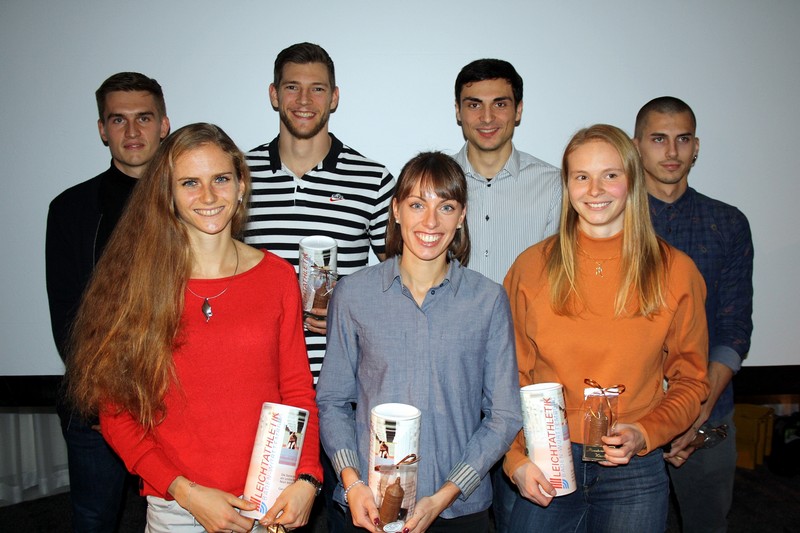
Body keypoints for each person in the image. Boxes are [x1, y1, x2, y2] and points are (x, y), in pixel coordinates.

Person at [66, 123, 321, 532]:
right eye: (190, 183)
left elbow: (297, 392)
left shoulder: (277, 276)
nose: (208, 196)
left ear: (241, 185)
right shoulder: (136, 283)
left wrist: (307, 478)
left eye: (221, 179)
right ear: (167, 193)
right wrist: (186, 492)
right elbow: (116, 413)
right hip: (178, 508)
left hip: (269, 502)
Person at [503, 124, 710, 532]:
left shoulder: (675, 272)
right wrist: (514, 459)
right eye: (582, 176)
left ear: (632, 180)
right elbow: (508, 378)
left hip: (633, 466)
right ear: (567, 185)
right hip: (546, 458)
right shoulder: (531, 268)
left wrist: (646, 432)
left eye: (610, 175)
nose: (594, 190)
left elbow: (691, 381)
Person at [316, 152, 522, 533]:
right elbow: (331, 401)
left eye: (446, 206)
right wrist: (352, 482)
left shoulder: (488, 300)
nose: (430, 221)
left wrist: (446, 494)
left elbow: (504, 415)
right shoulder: (354, 294)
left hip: (458, 512)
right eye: (416, 204)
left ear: (462, 215)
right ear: (396, 210)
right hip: (368, 507)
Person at [244, 41, 395, 531]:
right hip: (262, 391)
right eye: (292, 87)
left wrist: (352, 311)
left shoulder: (372, 179)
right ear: (274, 94)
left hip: (343, 395)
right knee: (267, 522)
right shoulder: (237, 178)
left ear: (334, 97)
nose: (304, 100)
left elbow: (405, 279)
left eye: (317, 89)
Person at [45, 71, 170, 532]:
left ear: (164, 125)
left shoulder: (193, 202)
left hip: (176, 399)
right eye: (119, 120)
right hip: (99, 404)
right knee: (94, 518)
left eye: (144, 118)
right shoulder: (71, 209)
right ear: (102, 129)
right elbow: (67, 316)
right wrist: (103, 402)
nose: (132, 131)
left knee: (185, 515)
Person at [634, 96, 754, 533]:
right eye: (658, 139)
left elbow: (734, 326)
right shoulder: (610, 223)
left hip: (709, 413)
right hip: (629, 416)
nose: (672, 151)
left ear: (696, 147)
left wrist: (698, 405)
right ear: (636, 146)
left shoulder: (728, 223)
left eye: (683, 139)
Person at [453, 58, 561, 284]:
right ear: (458, 111)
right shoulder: (432, 183)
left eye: (500, 104)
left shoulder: (554, 185)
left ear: (518, 110)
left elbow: (557, 275)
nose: (487, 117)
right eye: (474, 105)